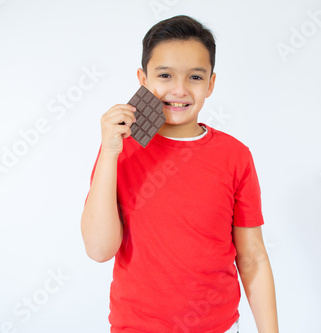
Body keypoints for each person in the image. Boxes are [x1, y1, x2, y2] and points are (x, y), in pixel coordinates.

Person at [81, 15, 279, 333]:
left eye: (195, 78)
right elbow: (99, 249)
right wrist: (109, 152)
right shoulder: (120, 151)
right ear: (143, 80)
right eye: (165, 75)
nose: (180, 89)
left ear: (211, 83)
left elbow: (253, 255)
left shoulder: (235, 156)